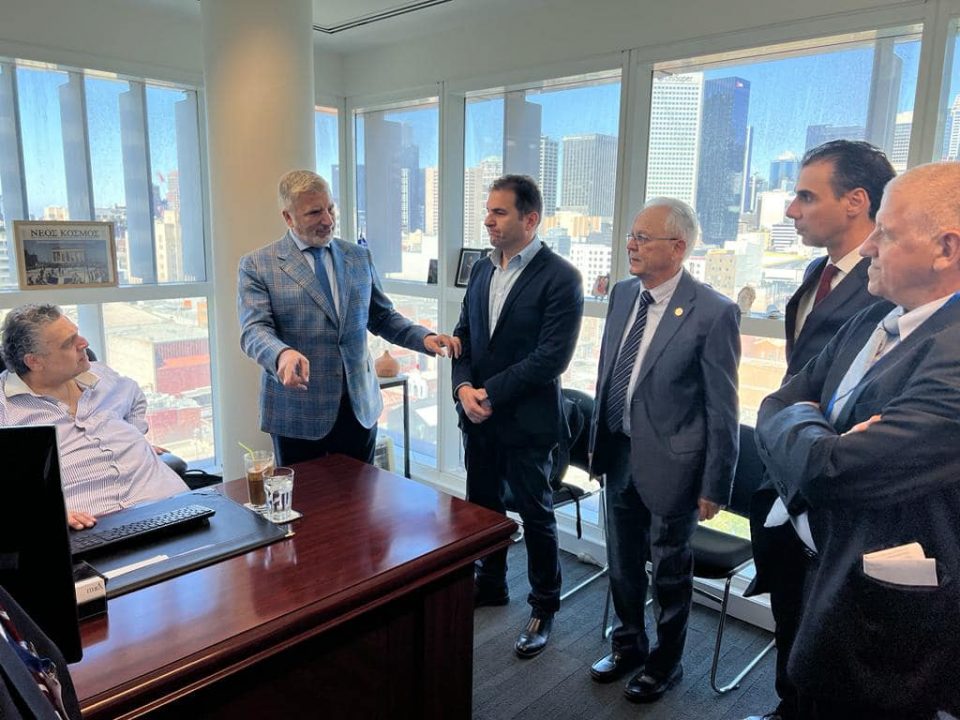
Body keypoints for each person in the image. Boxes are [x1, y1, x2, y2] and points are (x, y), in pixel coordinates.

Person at [754, 161, 960, 719]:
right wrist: (815, 427)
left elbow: (835, 471)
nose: (867, 246)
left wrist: (811, 431)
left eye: (885, 233)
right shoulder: (876, 317)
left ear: (945, 249)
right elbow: (775, 404)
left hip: (885, 625)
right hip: (822, 572)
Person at [743, 141, 895, 720]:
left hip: (833, 492)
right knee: (791, 617)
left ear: (855, 201)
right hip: (787, 480)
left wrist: (793, 420)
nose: (791, 210)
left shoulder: (886, 290)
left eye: (806, 196)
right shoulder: (816, 273)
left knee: (828, 640)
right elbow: (791, 386)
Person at [588, 197, 740, 704]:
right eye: (631, 235)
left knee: (670, 573)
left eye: (642, 237)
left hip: (675, 466)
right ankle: (628, 644)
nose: (630, 245)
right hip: (618, 453)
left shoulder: (713, 312)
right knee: (622, 563)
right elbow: (609, 370)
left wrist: (715, 484)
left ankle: (665, 664)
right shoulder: (622, 294)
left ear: (677, 248)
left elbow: (723, 408)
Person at [238, 170, 459, 466]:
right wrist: (282, 354)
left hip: (359, 409)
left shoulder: (358, 257)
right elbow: (254, 330)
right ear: (288, 218)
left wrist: (424, 338)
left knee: (362, 493)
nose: (328, 220)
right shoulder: (258, 265)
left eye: (330, 208)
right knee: (308, 496)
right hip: (299, 413)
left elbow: (381, 316)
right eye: (315, 212)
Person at [451, 174, 582, 659]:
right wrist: (463, 388)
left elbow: (551, 358)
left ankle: (544, 607)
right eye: (488, 210)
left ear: (530, 219)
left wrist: (488, 393)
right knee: (483, 508)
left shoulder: (561, 277)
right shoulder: (481, 269)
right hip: (478, 417)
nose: (488, 219)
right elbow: (463, 336)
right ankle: (492, 582)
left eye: (499, 212)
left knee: (536, 514)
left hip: (527, 422)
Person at [0, 304, 188, 530]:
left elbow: (135, 397)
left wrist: (135, 436)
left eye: (77, 334)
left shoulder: (101, 375)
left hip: (177, 509)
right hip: (92, 529)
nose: (84, 343)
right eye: (69, 343)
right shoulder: (5, 408)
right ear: (34, 361)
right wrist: (44, 513)